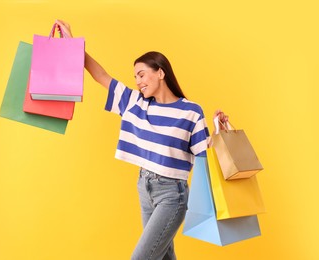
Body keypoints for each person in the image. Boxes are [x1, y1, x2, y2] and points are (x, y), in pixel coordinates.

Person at [55, 20, 227, 260]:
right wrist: (73, 45)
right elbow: (101, 76)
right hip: (144, 187)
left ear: (161, 72)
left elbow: (203, 153)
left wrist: (220, 130)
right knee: (163, 256)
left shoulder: (191, 111)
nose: (138, 81)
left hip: (172, 194)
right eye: (135, 77)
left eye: (142, 74)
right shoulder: (136, 103)